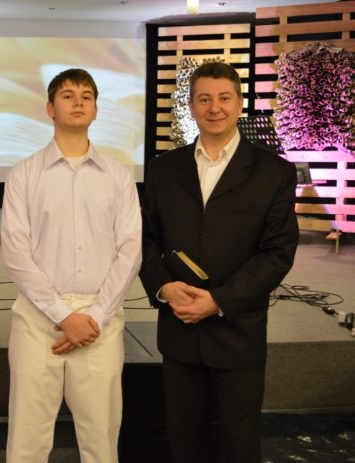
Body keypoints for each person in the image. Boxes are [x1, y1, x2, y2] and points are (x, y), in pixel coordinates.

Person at [139, 61, 299, 463]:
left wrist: (219, 300)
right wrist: (163, 286)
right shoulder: (163, 169)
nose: (215, 108)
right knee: (184, 443)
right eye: (204, 99)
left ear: (240, 103)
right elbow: (146, 239)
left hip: (238, 331)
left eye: (224, 98)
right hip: (179, 327)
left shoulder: (274, 172)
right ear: (191, 106)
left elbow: (278, 251)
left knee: (238, 445)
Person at [1, 68, 142, 463]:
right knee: (27, 441)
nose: (78, 102)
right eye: (67, 95)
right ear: (50, 108)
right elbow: (15, 252)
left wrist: (93, 316)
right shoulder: (24, 174)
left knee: (100, 441)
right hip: (38, 320)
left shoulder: (118, 175)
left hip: (101, 321)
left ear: (96, 110)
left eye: (86, 96)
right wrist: (63, 315)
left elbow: (130, 250)